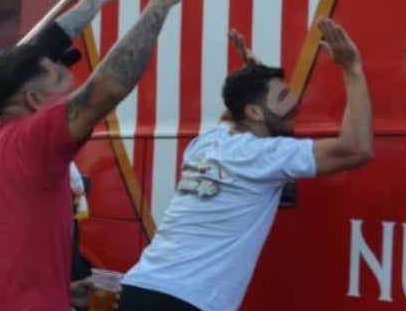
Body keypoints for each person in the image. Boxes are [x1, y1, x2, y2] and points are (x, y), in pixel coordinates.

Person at [0, 0, 200, 311]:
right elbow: (107, 87)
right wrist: (164, 0)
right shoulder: (34, 137)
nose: (72, 84)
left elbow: (38, 50)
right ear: (34, 100)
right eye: (59, 79)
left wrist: (61, 290)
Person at [119, 19, 373, 311]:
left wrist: (252, 72)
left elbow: (236, 112)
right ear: (253, 112)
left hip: (140, 286)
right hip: (185, 301)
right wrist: (352, 69)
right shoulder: (264, 155)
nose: (295, 103)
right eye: (282, 98)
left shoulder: (209, 141)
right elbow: (357, 148)